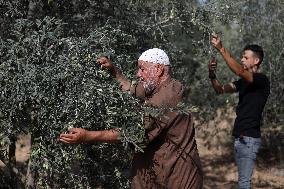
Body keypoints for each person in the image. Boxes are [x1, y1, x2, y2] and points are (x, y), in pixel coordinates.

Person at [60, 48, 203, 189]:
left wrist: (87, 136)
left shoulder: (170, 94)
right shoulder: (152, 87)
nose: (138, 74)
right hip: (155, 175)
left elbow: (134, 132)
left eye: (142, 69)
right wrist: (114, 70)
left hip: (177, 177)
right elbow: (130, 89)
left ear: (159, 69)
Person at [209, 35, 270, 189]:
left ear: (256, 61)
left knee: (243, 183)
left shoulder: (261, 80)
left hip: (249, 139)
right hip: (240, 138)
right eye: (242, 57)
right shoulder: (243, 82)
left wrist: (221, 49)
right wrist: (212, 75)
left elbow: (239, 71)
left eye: (245, 57)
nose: (242, 59)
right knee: (242, 182)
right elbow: (220, 90)